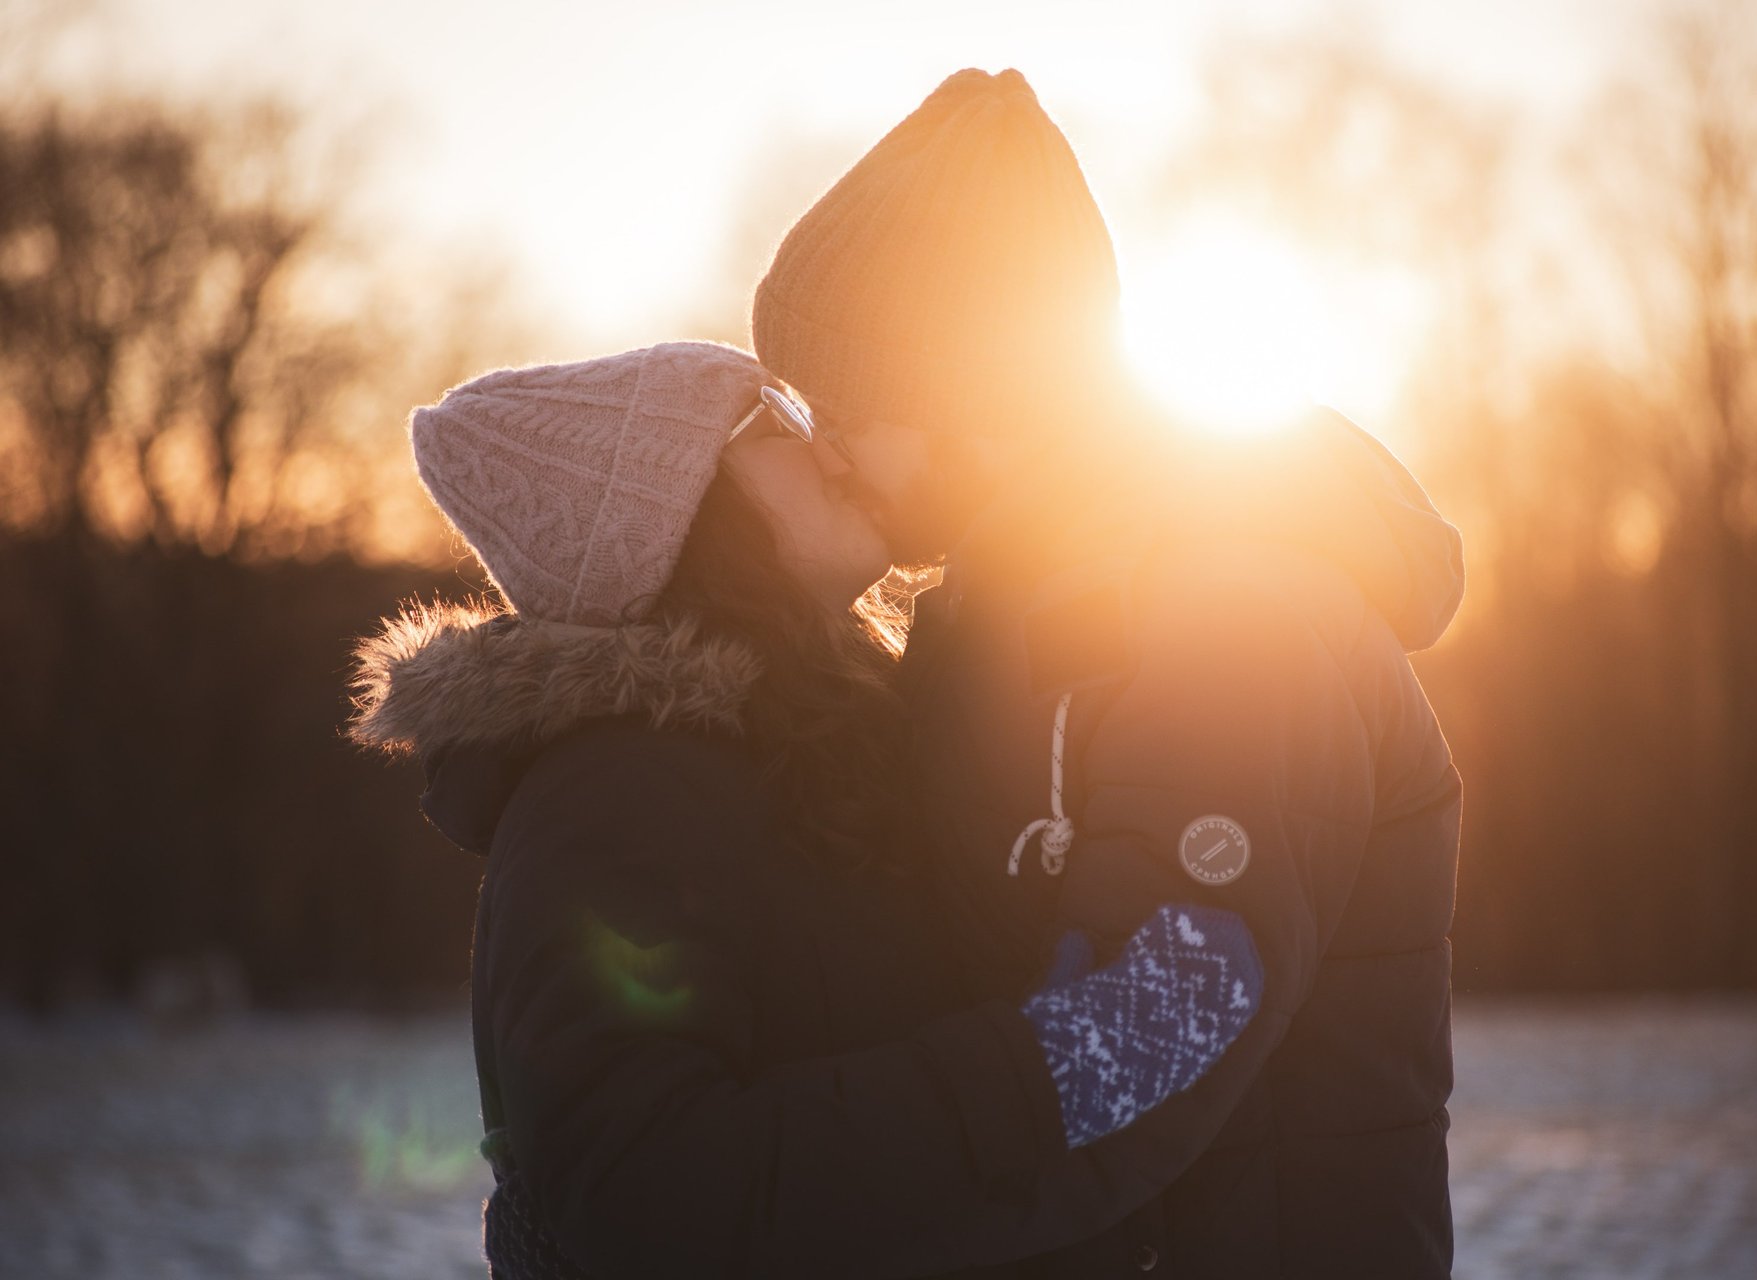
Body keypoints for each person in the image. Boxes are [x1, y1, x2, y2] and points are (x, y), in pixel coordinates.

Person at [750, 68, 1467, 1276]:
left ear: (966, 390)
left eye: (845, 402)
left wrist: (769, 1172)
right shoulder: (995, 608)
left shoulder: (1242, 613)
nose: (822, 447)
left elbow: (1156, 1020)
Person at [347, 340, 1269, 1278]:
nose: (829, 442)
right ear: (675, 510)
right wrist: (1047, 1073)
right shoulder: (614, 797)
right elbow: (648, 1198)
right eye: (774, 419)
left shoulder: (812, 747)